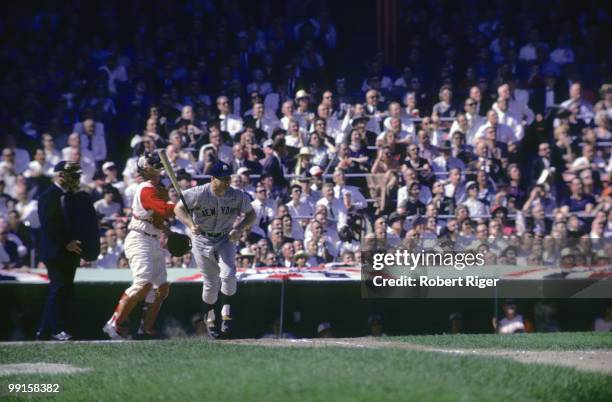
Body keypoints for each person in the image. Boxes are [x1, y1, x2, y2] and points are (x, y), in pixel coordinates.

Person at [174, 161, 256, 339]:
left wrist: (240, 228)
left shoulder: (237, 195)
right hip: (202, 239)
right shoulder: (198, 193)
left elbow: (252, 214)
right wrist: (190, 224)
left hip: (225, 238)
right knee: (211, 283)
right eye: (223, 179)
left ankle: (227, 316)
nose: (227, 182)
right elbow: (178, 208)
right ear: (212, 178)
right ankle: (210, 320)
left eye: (229, 178)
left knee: (228, 275)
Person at [103, 152, 176, 340]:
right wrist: (182, 206)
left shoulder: (159, 188)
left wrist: (168, 232)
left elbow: (158, 218)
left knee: (162, 288)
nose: (157, 167)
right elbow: (163, 209)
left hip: (152, 239)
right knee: (143, 283)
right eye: (153, 165)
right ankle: (114, 323)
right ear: (145, 169)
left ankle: (146, 328)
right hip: (139, 238)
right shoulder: (146, 188)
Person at [36, 161, 86, 341]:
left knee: (63, 290)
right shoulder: (49, 196)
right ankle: (56, 329)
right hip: (56, 252)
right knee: (58, 289)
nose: (76, 178)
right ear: (60, 175)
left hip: (69, 253)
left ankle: (44, 331)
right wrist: (66, 243)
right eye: (72, 174)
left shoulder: (71, 196)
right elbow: (49, 224)